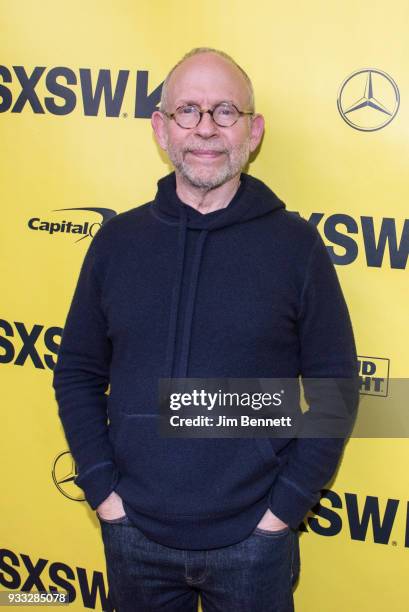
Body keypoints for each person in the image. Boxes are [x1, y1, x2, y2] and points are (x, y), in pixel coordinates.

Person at [53, 47, 359, 612]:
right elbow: (76, 374)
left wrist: (283, 511)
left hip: (254, 542)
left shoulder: (297, 248)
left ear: (253, 130)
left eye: (225, 111)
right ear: (162, 128)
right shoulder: (116, 244)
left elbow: (334, 388)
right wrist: (103, 493)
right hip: (132, 534)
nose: (206, 129)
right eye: (187, 111)